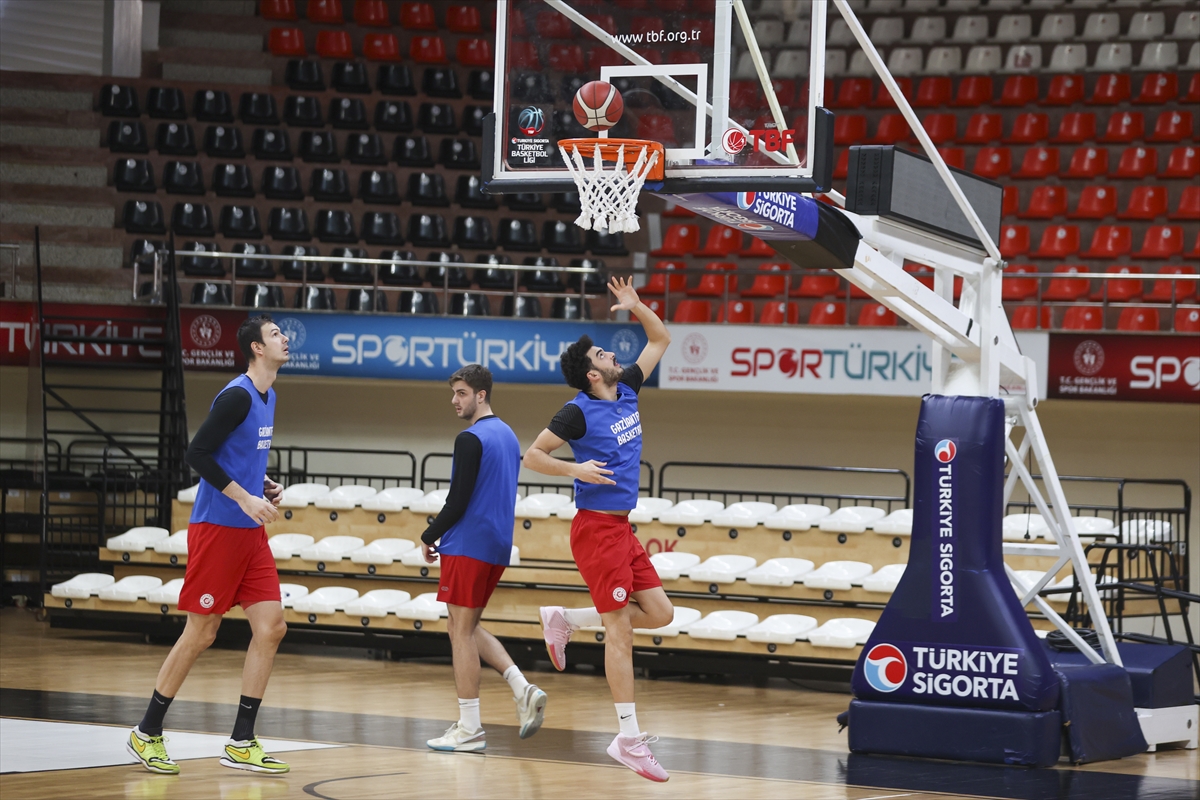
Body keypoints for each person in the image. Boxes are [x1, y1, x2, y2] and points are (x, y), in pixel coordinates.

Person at [522, 277, 673, 782]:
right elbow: (533, 454)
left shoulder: (626, 387)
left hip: (621, 528)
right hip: (595, 529)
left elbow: (659, 340)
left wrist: (636, 305)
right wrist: (575, 471)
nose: (613, 354)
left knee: (659, 612)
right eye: (604, 354)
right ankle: (628, 739)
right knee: (621, 630)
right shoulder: (577, 412)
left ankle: (564, 618)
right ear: (592, 374)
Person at [127, 315, 291, 775]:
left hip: (248, 533)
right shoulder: (238, 394)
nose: (284, 338)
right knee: (201, 632)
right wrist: (244, 497)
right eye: (276, 334)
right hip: (218, 529)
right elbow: (197, 453)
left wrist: (264, 484)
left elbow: (234, 456)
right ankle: (147, 733)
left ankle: (241, 741)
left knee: (272, 627)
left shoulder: (269, 394)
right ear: (257, 348)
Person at [422, 364, 547, 753]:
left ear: (481, 395)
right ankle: (521, 687)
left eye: (461, 393)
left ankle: (470, 727)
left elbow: (456, 501)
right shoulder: (509, 435)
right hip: (496, 546)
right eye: (453, 393)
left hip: (467, 544)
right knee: (469, 626)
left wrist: (429, 533)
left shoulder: (470, 438)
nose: (454, 401)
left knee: (458, 632)